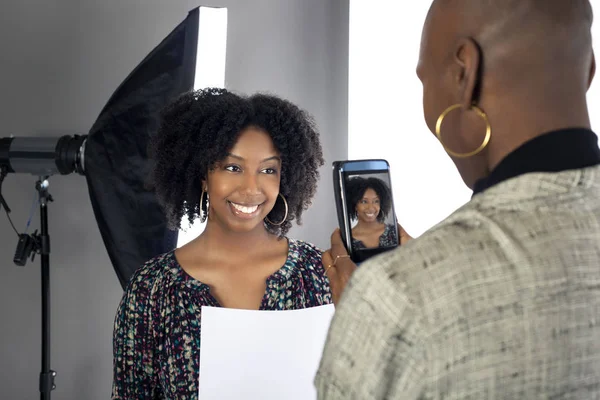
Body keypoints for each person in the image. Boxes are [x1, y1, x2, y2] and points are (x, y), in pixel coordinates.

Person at [316, 0, 600, 398]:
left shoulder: (397, 297)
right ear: (587, 69)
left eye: (424, 79)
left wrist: (366, 319)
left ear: (464, 73)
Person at [111, 88, 331, 399]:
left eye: (268, 170)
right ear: (203, 174)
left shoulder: (319, 272)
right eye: (233, 167)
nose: (251, 188)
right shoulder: (152, 289)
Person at [346, 176, 402, 249]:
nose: (371, 207)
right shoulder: (347, 239)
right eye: (364, 201)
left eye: (376, 201)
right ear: (355, 205)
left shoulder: (395, 232)